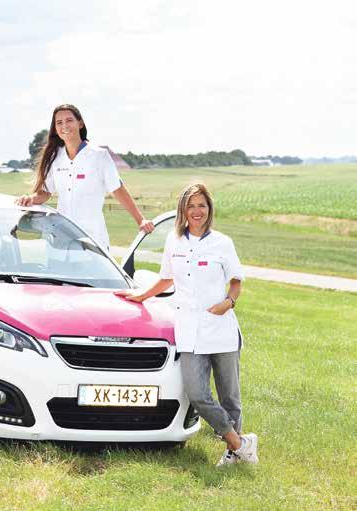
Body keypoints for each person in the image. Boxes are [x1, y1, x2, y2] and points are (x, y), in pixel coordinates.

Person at [116, 183, 258, 466]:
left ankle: (234, 453)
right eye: (191, 206)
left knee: (230, 397)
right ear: (183, 210)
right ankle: (242, 443)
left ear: (209, 209)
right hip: (189, 331)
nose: (196, 211)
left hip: (221, 329)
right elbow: (166, 278)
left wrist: (228, 302)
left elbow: (236, 281)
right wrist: (141, 295)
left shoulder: (222, 243)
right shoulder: (174, 241)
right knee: (197, 394)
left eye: (201, 205)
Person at [15, 104, 154, 250]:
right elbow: (45, 192)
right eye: (59, 122)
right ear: (55, 128)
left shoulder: (99, 155)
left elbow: (118, 189)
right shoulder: (55, 157)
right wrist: (30, 198)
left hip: (92, 239)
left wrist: (141, 220)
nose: (64, 126)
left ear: (80, 123)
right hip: (60, 239)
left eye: (69, 120)